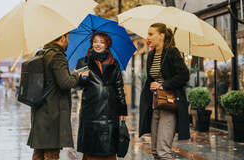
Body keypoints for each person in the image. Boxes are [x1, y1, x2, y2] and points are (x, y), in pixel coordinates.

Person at [27, 32, 88, 160]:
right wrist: (77, 75)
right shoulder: (57, 56)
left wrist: (72, 74)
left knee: (38, 153)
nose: (69, 42)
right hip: (52, 113)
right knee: (51, 154)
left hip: (40, 112)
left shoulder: (41, 53)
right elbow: (65, 83)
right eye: (68, 38)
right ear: (62, 38)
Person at [139, 23, 190, 160]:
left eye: (151, 34)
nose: (147, 37)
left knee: (163, 151)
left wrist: (163, 85)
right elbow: (151, 78)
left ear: (161, 36)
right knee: (155, 150)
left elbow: (184, 76)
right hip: (156, 104)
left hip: (169, 104)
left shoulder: (172, 52)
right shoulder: (151, 55)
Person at [75, 31, 127, 160]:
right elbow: (77, 86)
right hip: (90, 112)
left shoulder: (114, 64)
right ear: (92, 44)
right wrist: (80, 78)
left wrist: (122, 109)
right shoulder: (83, 62)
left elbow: (119, 87)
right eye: (95, 41)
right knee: (91, 150)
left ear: (107, 45)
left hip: (110, 112)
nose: (98, 44)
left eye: (102, 42)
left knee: (108, 150)